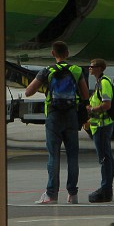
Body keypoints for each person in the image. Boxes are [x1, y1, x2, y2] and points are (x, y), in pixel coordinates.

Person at [25, 41, 89, 204]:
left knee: (54, 156)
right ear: (67, 54)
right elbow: (85, 95)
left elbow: (28, 92)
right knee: (72, 156)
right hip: (71, 115)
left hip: (53, 116)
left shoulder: (47, 71)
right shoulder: (76, 70)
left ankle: (51, 194)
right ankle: (72, 194)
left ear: (53, 54)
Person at [86, 58, 114, 203]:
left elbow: (107, 104)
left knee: (105, 158)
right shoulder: (99, 82)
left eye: (92, 66)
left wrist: (92, 110)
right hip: (98, 125)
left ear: (99, 68)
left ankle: (106, 189)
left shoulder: (104, 83)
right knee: (105, 157)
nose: (89, 68)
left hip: (103, 126)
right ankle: (106, 188)